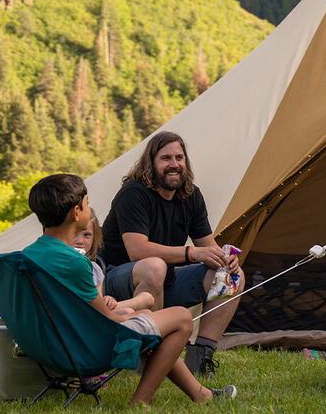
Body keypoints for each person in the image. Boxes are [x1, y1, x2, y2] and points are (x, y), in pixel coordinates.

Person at [24, 174, 236, 406]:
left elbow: (83, 310)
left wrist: (138, 313)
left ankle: (201, 394)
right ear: (77, 212)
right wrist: (136, 306)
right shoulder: (76, 263)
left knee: (148, 318)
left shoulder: (27, 256)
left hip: (45, 345)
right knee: (181, 318)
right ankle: (141, 401)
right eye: (86, 203)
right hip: (84, 349)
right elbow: (105, 318)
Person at [101, 131, 244, 376]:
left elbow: (208, 247)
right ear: (151, 163)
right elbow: (137, 251)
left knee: (232, 275)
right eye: (166, 158)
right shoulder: (134, 193)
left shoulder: (190, 195)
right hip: (115, 282)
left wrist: (226, 258)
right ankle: (152, 357)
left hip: (160, 281)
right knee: (154, 265)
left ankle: (200, 358)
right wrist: (192, 253)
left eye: (179, 157)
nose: (174, 164)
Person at [73, 211, 154, 317]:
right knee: (132, 310)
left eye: (86, 235)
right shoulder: (62, 265)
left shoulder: (95, 269)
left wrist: (108, 300)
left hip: (97, 313)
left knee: (145, 306)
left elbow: (99, 299)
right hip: (82, 316)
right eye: (74, 234)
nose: (80, 241)